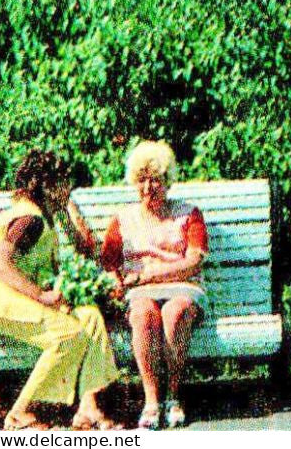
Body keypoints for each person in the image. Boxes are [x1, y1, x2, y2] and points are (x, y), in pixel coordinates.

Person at [0, 150, 121, 431]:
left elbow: (85, 248)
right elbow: (0, 264)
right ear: (44, 185)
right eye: (61, 183)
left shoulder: (44, 216)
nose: (67, 189)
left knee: (90, 318)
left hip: (20, 300)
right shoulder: (29, 219)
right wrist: (41, 295)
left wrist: (65, 212)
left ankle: (88, 407)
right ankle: (20, 413)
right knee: (68, 334)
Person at [102, 140, 208, 430]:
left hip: (182, 285)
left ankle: (173, 397)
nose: (148, 188)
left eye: (155, 180)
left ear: (168, 181)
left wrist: (150, 275)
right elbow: (109, 263)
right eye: (142, 180)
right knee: (142, 315)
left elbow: (194, 261)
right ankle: (151, 401)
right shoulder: (123, 219)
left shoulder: (188, 213)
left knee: (174, 313)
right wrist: (116, 283)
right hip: (140, 290)